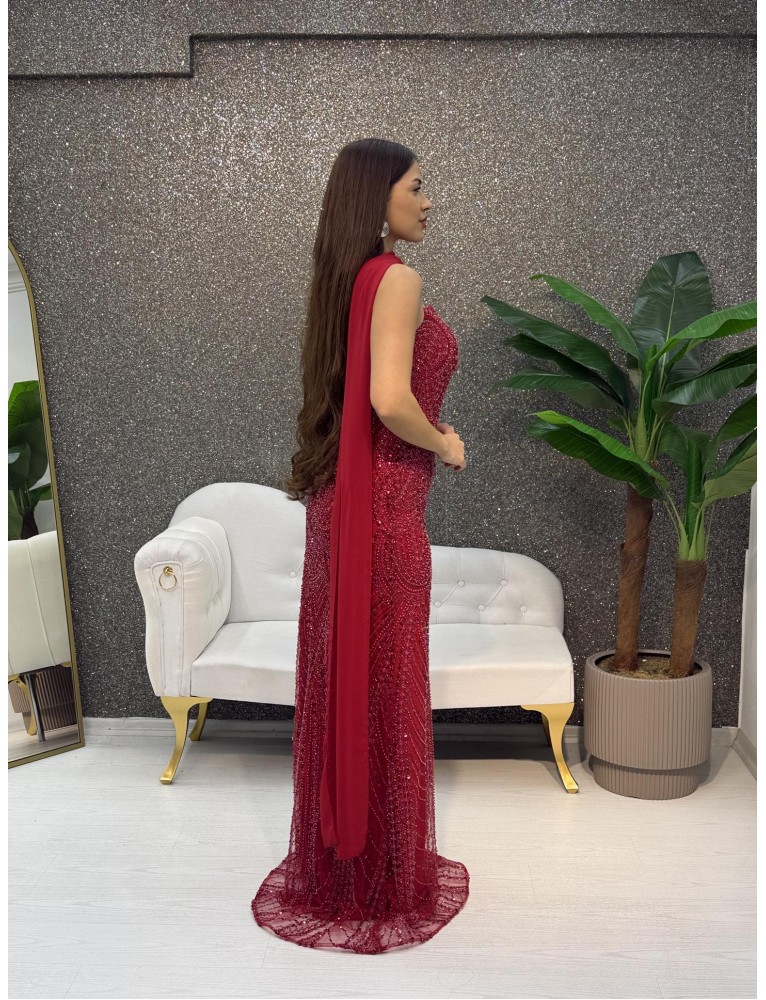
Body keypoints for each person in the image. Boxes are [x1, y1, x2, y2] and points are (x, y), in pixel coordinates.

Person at [251, 138, 470, 953]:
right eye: (418, 186)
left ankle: (346, 869)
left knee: (353, 677)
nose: (428, 201)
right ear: (379, 196)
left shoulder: (347, 282)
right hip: (382, 511)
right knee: (385, 682)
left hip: (342, 509)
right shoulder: (397, 279)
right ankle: (377, 877)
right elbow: (389, 400)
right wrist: (444, 442)